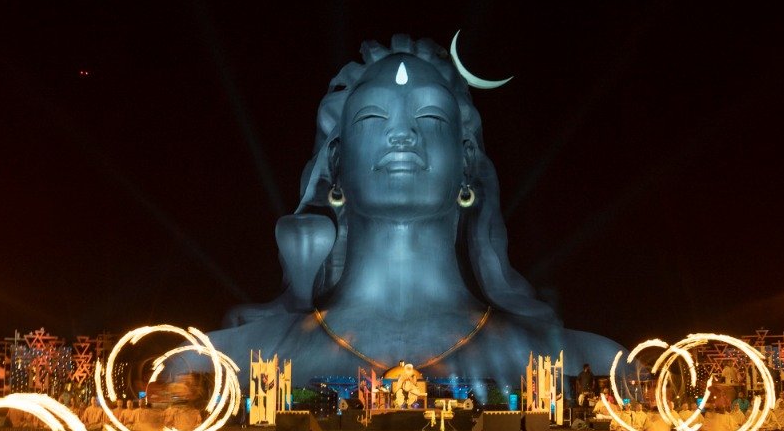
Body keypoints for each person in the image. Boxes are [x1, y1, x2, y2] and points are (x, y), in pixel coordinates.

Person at [168, 36, 623, 389]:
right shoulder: (216, 361)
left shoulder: (589, 361)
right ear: (336, 161)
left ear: (467, 160)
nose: (402, 135)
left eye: (430, 117)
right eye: (372, 118)